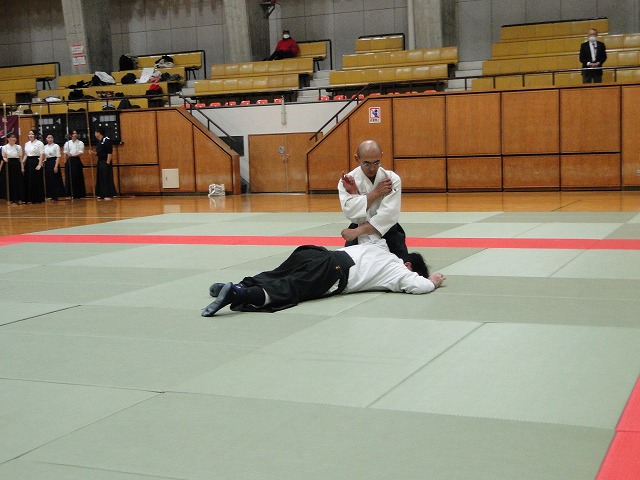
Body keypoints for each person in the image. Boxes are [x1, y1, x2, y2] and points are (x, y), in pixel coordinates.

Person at [202, 242, 445, 317]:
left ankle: (239, 284)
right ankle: (238, 293)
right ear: (409, 265)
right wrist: (433, 280)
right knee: (289, 289)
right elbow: (419, 286)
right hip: (333, 270)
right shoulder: (399, 269)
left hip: (314, 252)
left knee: (276, 274)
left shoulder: (379, 248)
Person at [338, 139, 409, 261]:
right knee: (346, 267)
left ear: (381, 156)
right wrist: (375, 193)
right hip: (357, 230)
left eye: (376, 163)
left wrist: (358, 231)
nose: (372, 168)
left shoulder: (392, 179)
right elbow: (350, 213)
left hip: (387, 231)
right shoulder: (347, 181)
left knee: (404, 266)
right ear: (357, 159)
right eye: (367, 163)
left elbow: (388, 215)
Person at [89, 128, 116, 200]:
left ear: (99, 133)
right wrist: (93, 153)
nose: (95, 134)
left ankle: (108, 194)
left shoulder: (106, 140)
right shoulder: (99, 142)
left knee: (106, 177)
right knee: (100, 178)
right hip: (100, 161)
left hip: (105, 161)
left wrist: (107, 163)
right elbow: (100, 153)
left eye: (95, 132)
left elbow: (109, 152)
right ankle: (102, 194)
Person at [1, 133, 25, 205]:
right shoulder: (4, 147)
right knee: (10, 182)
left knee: (18, 181)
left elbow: (20, 158)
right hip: (8, 165)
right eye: (12, 137)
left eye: (15, 137)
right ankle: (11, 199)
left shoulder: (18, 147)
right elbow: (3, 157)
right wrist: (4, 159)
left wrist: (22, 167)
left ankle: (19, 198)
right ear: (8, 139)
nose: (14, 139)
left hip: (16, 164)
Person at [23, 130, 45, 203]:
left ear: (35, 135)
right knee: (28, 179)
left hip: (35, 161)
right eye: (29, 134)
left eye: (32, 134)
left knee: (36, 180)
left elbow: (41, 154)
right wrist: (22, 162)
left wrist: (39, 164)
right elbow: (26, 154)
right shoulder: (27, 144)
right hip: (28, 162)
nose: (30, 135)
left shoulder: (39, 143)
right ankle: (28, 198)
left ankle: (37, 198)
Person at [63, 130, 86, 198]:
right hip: (69, 160)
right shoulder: (67, 143)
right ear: (71, 135)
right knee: (69, 177)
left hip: (76, 160)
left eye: (76, 133)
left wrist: (73, 155)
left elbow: (81, 152)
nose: (75, 135)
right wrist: (65, 162)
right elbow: (65, 153)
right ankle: (69, 193)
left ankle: (78, 194)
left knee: (76, 176)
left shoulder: (80, 143)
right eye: (74, 133)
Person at [43, 134, 65, 201]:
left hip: (54, 162)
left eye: (51, 137)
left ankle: (56, 196)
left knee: (54, 179)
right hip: (47, 163)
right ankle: (50, 195)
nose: (50, 139)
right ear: (46, 139)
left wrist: (56, 166)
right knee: (48, 179)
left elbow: (58, 157)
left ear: (53, 139)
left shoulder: (56, 146)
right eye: (48, 137)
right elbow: (44, 156)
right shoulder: (45, 147)